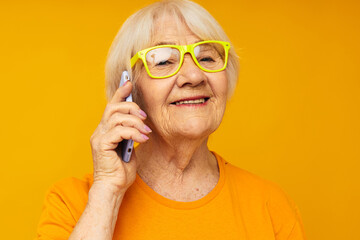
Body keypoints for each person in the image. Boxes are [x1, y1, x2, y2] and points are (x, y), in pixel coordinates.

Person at [35, 0, 306, 239]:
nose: (194, 76)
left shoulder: (270, 206)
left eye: (207, 57)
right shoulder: (73, 203)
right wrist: (107, 191)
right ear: (129, 89)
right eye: (164, 61)